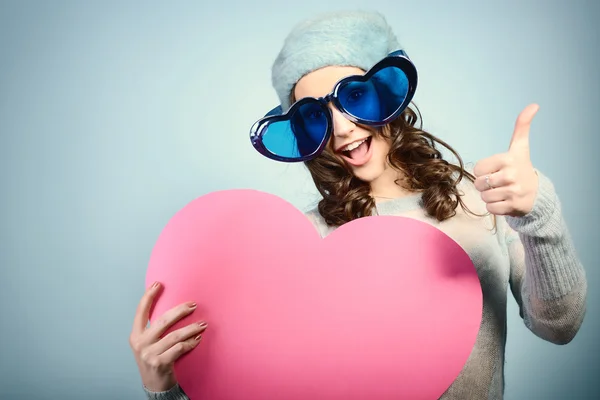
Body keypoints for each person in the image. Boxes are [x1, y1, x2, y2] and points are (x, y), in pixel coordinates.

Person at [129, 10, 587, 400]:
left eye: (353, 97)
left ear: (387, 94)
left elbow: (559, 326)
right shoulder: (304, 243)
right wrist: (166, 387)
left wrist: (537, 211)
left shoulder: (487, 197)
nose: (343, 129)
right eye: (314, 114)